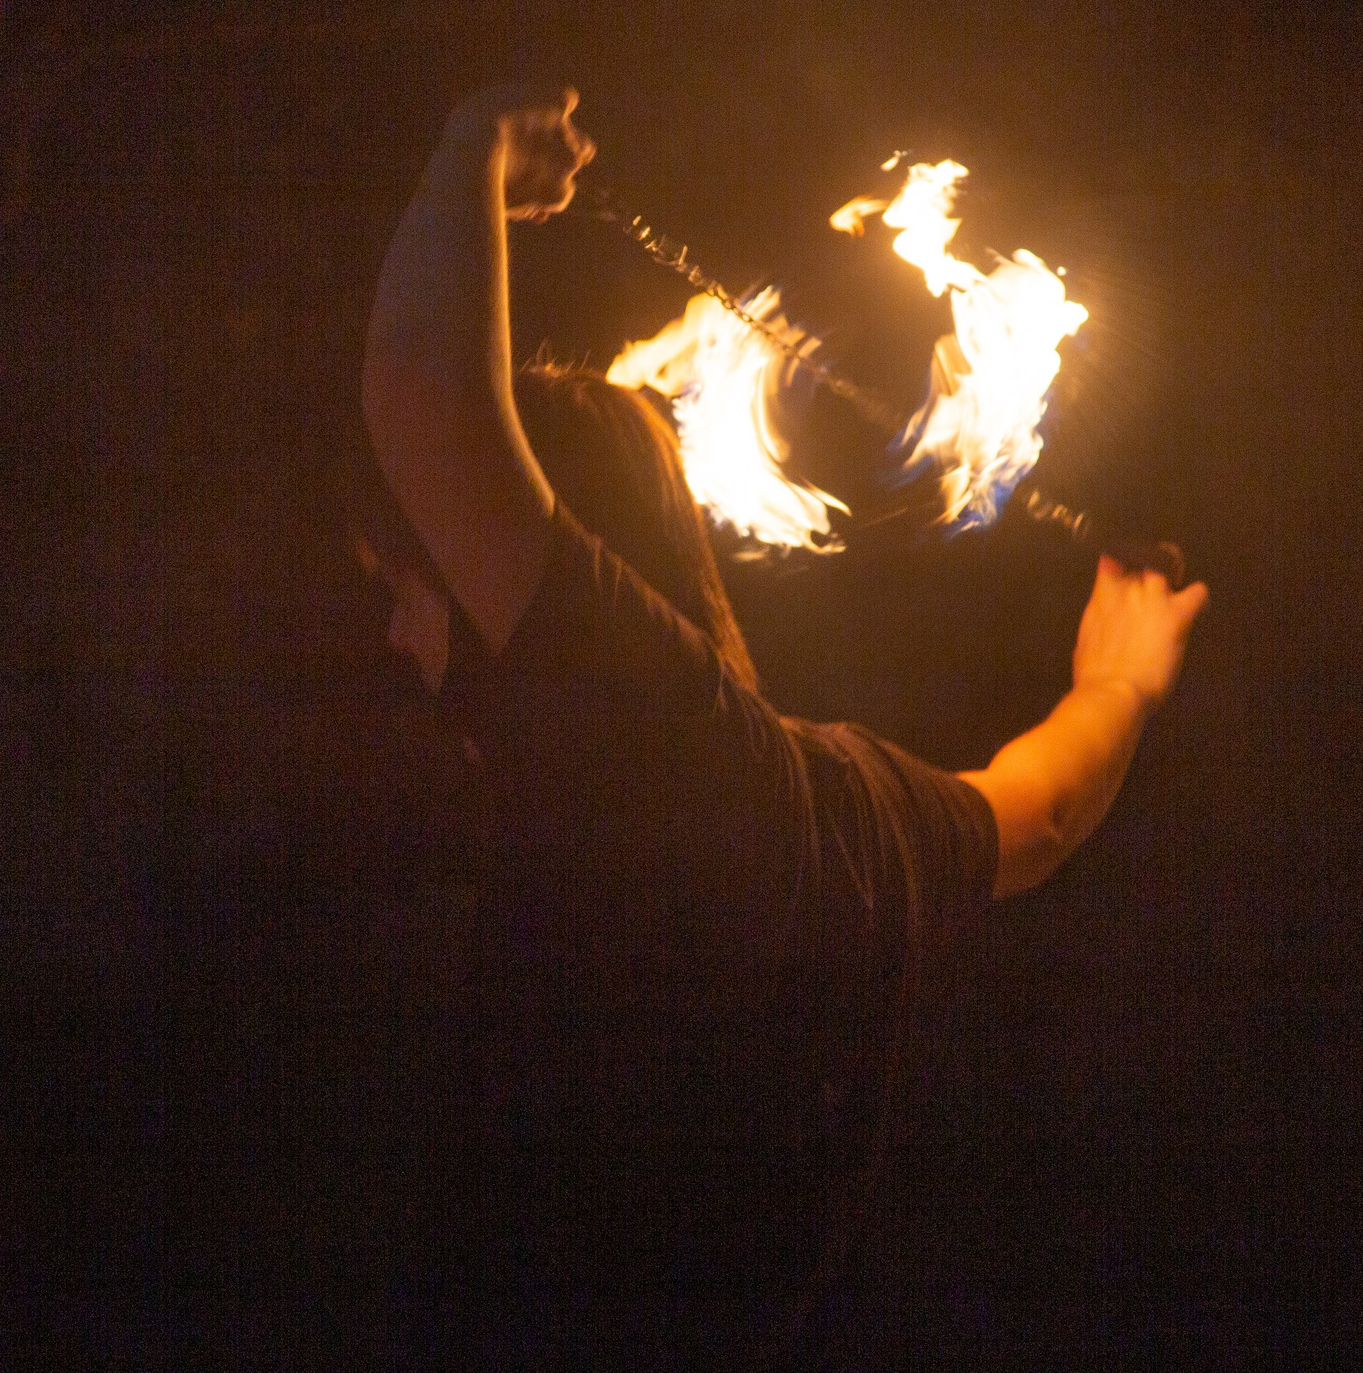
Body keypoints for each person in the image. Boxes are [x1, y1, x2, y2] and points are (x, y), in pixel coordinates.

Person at [359, 86, 1206, 1363]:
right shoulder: (831, 814)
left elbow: (427, 395)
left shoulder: (644, 743)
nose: (392, 634)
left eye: (403, 581)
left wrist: (469, 156)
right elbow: (1042, 813)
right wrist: (1122, 683)